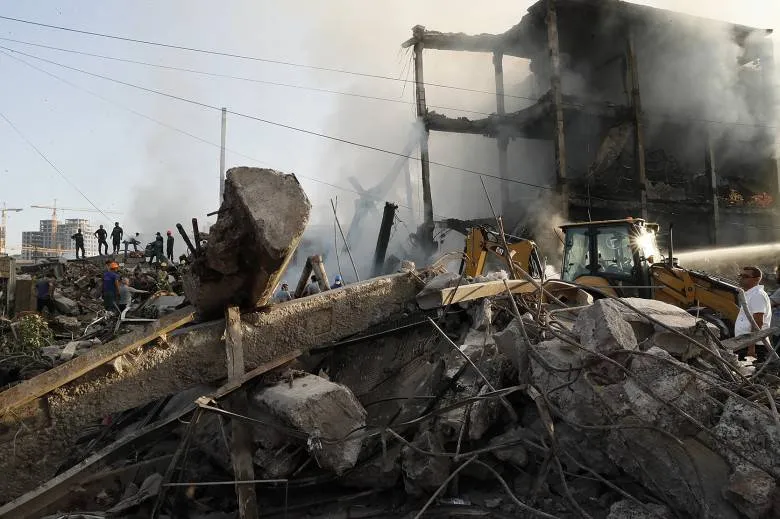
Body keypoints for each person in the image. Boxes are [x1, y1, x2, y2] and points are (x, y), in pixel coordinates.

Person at [734, 265, 772, 361]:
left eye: (745, 276)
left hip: (755, 346)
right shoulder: (750, 294)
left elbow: (758, 321)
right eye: (740, 276)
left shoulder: (757, 295)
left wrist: (751, 348)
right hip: (746, 343)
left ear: (757, 279)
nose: (741, 278)